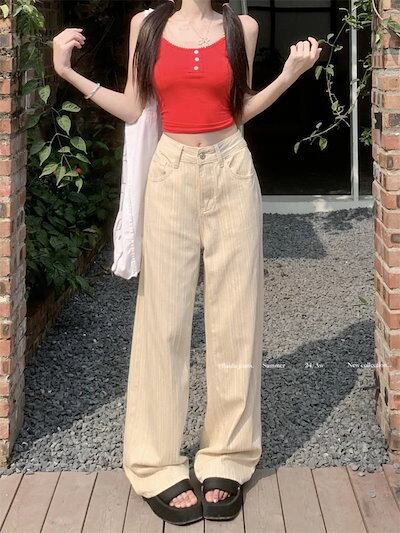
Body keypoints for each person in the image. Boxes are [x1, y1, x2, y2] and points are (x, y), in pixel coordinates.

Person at [52, 0, 321, 525]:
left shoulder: (240, 27)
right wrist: (67, 73)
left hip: (231, 169)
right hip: (171, 171)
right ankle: (155, 462)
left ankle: (228, 455)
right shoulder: (147, 25)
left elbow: (239, 109)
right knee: (163, 321)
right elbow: (135, 107)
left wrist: (290, 74)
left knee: (235, 317)